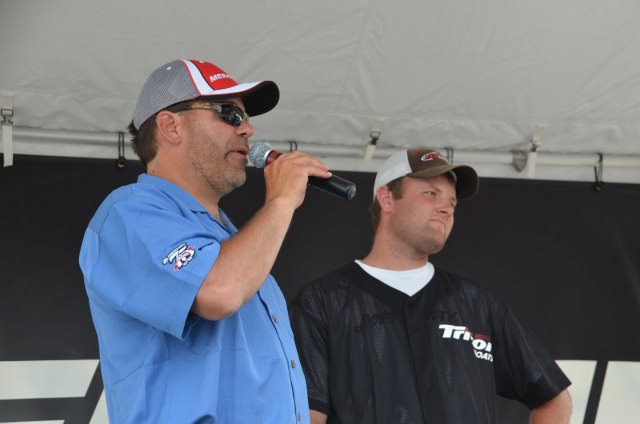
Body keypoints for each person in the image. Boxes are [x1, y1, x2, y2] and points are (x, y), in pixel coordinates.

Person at [79, 59, 331, 423]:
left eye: (246, 118)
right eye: (229, 114)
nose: (247, 129)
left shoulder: (231, 238)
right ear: (171, 126)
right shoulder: (129, 213)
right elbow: (219, 293)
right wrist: (281, 200)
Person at [289, 148, 573, 424]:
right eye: (431, 193)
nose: (446, 208)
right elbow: (308, 414)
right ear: (387, 199)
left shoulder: (476, 303)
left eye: (452, 202)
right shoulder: (323, 301)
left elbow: (554, 397)